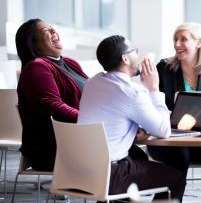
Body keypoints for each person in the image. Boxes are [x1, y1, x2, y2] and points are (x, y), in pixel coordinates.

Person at [77, 35, 185, 201]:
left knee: (138, 158)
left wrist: (134, 130)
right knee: (176, 178)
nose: (138, 55)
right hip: (110, 176)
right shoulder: (132, 92)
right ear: (125, 58)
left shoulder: (92, 83)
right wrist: (154, 88)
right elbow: (163, 130)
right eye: (135, 51)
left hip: (80, 171)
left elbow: (113, 117)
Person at [147, 22, 201, 196]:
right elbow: (152, 106)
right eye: (175, 39)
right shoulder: (164, 68)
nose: (177, 44)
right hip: (170, 140)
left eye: (183, 39)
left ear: (198, 43)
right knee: (179, 156)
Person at [16, 18, 88, 171]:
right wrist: (93, 121)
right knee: (130, 158)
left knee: (132, 154)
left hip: (81, 138)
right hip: (55, 148)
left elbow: (94, 93)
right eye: (46, 31)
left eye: (52, 28)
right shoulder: (36, 67)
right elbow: (53, 106)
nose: (54, 31)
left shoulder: (70, 63)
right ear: (34, 45)